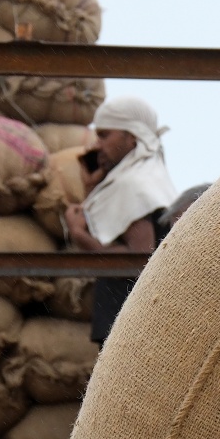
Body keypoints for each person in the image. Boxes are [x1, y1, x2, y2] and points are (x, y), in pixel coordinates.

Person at [63, 96, 180, 345]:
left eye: (105, 135)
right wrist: (93, 190)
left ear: (132, 136)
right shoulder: (146, 179)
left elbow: (137, 258)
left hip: (129, 325)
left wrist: (81, 237)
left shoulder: (133, 185)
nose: (97, 145)